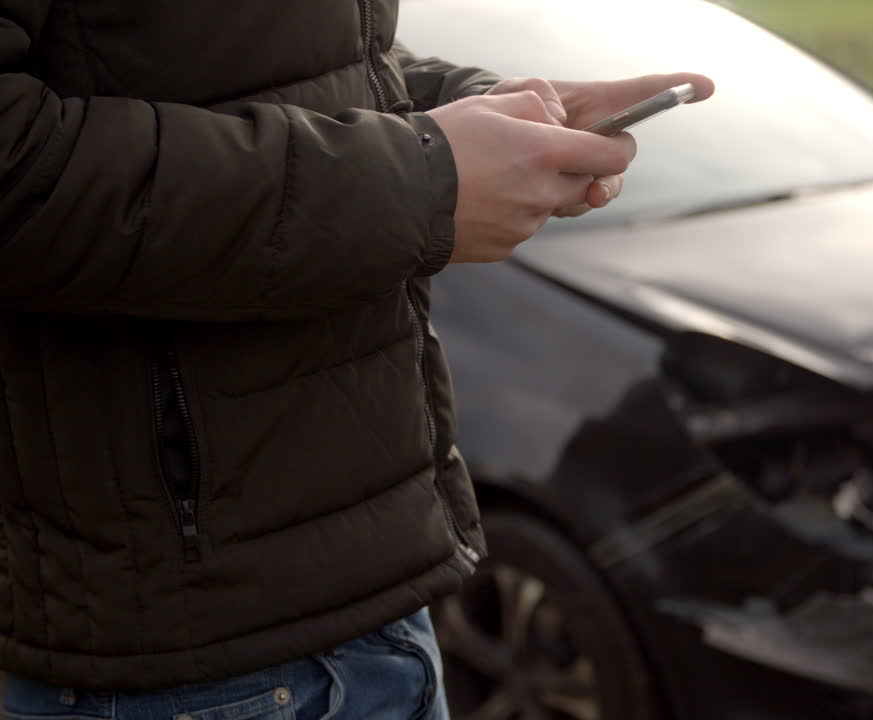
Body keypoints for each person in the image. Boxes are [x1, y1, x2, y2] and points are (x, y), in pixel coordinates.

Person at [0, 0, 712, 717]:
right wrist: (421, 177)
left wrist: (479, 112)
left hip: (378, 605)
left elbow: (283, 73)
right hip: (195, 658)